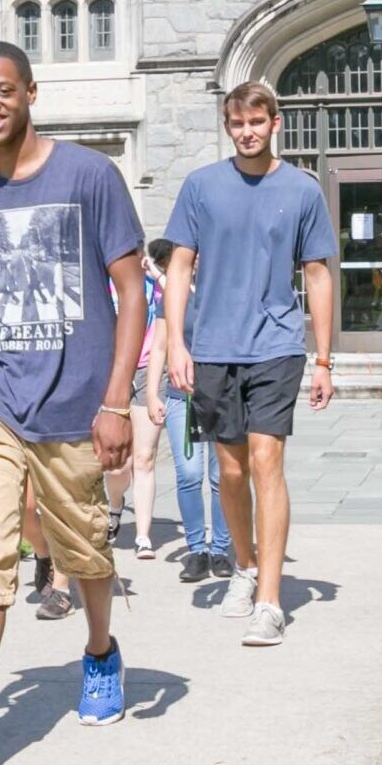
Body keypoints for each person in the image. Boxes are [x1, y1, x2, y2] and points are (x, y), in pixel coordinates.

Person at [0, 41, 146, 765]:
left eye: (2, 91)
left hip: (76, 405)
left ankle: (101, 649)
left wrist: (117, 400)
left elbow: (132, 292)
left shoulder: (89, 175)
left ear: (31, 92)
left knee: (84, 550)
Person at [161, 80, 338, 648]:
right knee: (230, 471)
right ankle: (243, 564)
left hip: (277, 345)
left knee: (266, 462)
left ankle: (269, 598)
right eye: (237, 124)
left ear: (275, 123)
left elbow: (317, 274)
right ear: (227, 126)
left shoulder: (302, 190)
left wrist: (325, 359)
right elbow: (180, 267)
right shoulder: (201, 187)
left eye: (256, 122)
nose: (247, 131)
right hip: (213, 346)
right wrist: (175, 345)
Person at [143, 240, 231, 580]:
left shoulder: (222, 292)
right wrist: (152, 394)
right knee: (190, 474)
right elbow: (160, 346)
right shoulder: (173, 295)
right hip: (184, 397)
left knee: (221, 476)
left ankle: (221, 549)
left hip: (221, 395)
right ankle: (197, 550)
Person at [110, 250, 163, 560]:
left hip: (147, 371)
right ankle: (115, 506)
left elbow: (183, 293)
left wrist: (155, 271)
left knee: (145, 457)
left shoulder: (152, 284)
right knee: (119, 464)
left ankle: (143, 535)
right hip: (113, 371)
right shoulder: (103, 284)